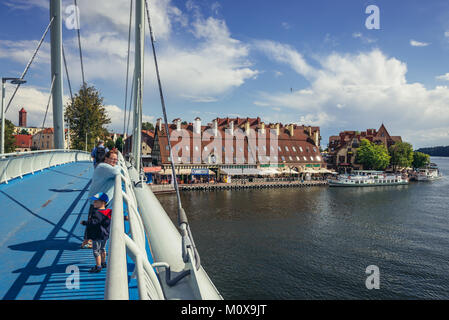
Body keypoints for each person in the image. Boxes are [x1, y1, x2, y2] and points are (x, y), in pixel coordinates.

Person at [81, 149, 120, 249]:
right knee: (95, 220)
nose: (114, 161)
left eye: (116, 160)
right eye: (112, 159)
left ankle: (87, 240)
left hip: (101, 199)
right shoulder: (103, 167)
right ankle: (88, 241)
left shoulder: (106, 167)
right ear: (106, 159)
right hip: (97, 200)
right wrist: (118, 166)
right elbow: (117, 171)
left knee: (95, 219)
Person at [80, 192, 111, 273]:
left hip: (97, 235)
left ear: (103, 202)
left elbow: (94, 222)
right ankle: (104, 263)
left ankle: (98, 266)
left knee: (96, 251)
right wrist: (125, 217)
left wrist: (84, 222)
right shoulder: (109, 211)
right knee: (103, 248)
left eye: (96, 201)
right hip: (105, 235)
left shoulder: (96, 212)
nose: (94, 203)